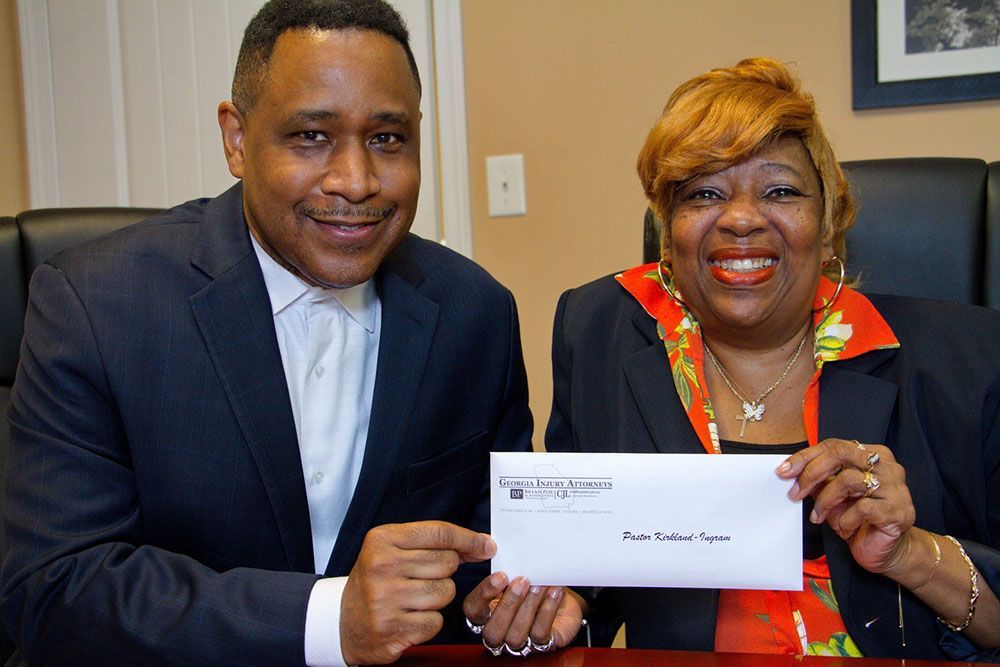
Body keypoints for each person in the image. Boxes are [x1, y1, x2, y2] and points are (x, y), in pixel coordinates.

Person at [0, 1, 534, 665]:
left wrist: (514, 604)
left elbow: (495, 557)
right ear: (236, 138)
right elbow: (55, 588)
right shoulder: (95, 304)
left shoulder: (475, 312)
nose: (355, 181)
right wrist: (326, 618)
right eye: (311, 136)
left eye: (387, 139)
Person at [468, 58, 1000, 661]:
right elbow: (590, 557)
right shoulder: (601, 329)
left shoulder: (973, 360)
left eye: (780, 190)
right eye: (704, 193)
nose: (741, 218)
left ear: (829, 225)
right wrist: (561, 603)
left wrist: (911, 555)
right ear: (667, 235)